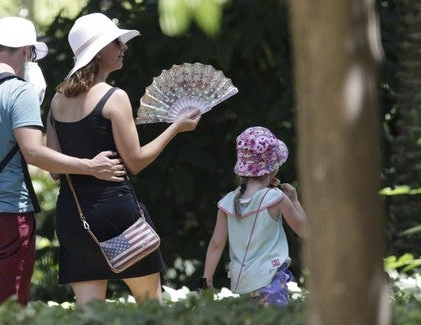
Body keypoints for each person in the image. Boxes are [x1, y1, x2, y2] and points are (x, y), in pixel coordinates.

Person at [0, 16, 126, 306]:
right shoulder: (19, 90)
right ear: (28, 51)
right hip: (5, 216)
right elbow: (34, 152)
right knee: (6, 316)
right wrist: (90, 166)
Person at [46, 12, 202, 306]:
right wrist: (176, 128)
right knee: (150, 309)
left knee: (90, 321)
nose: (124, 47)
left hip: (74, 214)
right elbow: (136, 161)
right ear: (99, 51)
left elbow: (54, 170)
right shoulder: (114, 97)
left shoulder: (56, 101)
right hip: (116, 212)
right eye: (116, 41)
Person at [201, 126, 306, 306]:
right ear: (273, 168)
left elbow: (216, 244)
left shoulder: (227, 202)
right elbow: (305, 230)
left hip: (241, 284)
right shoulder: (276, 198)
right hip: (272, 281)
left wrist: (206, 280)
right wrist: (295, 201)